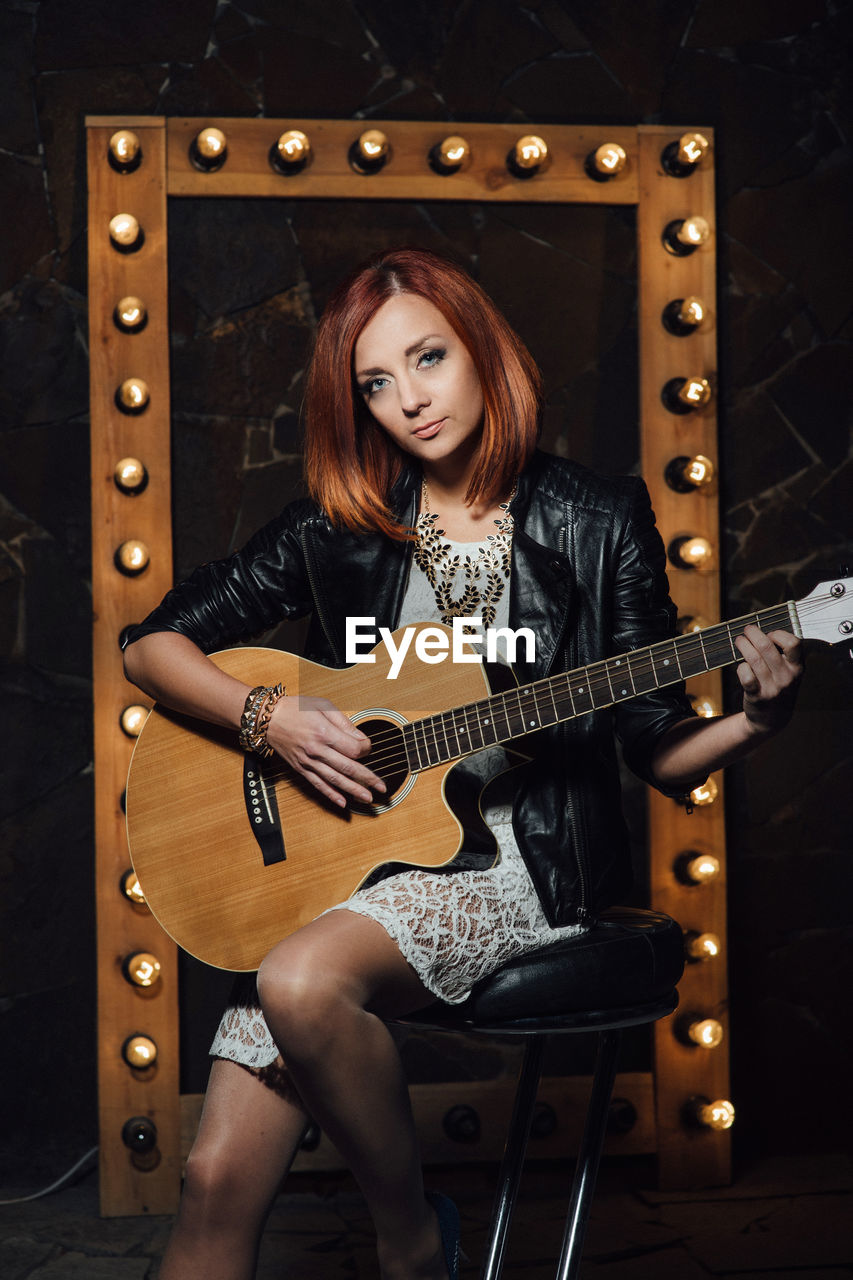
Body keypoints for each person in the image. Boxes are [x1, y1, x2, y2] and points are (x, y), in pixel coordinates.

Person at [123, 247, 803, 1280]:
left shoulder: (596, 518)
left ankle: (407, 1242)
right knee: (214, 1183)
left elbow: (658, 747)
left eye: (428, 358)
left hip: (512, 866)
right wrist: (270, 719)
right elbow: (151, 645)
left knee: (298, 977)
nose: (409, 401)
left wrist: (752, 721)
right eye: (377, 384)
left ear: (481, 347)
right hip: (347, 868)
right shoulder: (343, 522)